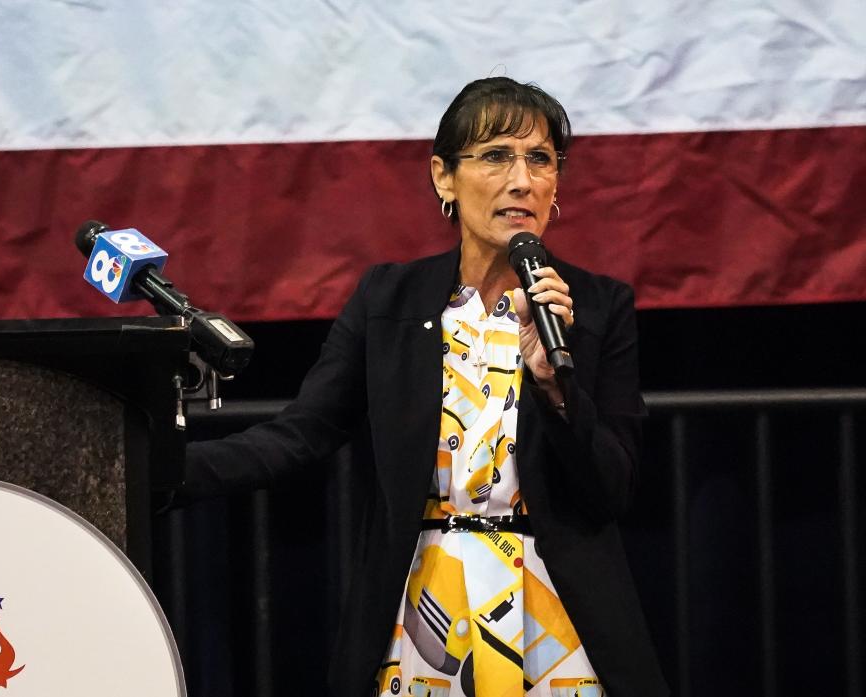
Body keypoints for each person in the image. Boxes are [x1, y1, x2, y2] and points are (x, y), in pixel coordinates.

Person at [184, 77, 669, 697]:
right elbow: (299, 435)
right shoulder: (389, 299)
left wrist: (555, 387)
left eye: (540, 160)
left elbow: (613, 485)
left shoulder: (595, 308)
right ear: (444, 176)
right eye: (495, 156)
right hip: (424, 610)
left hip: (554, 613)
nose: (522, 180)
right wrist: (162, 472)